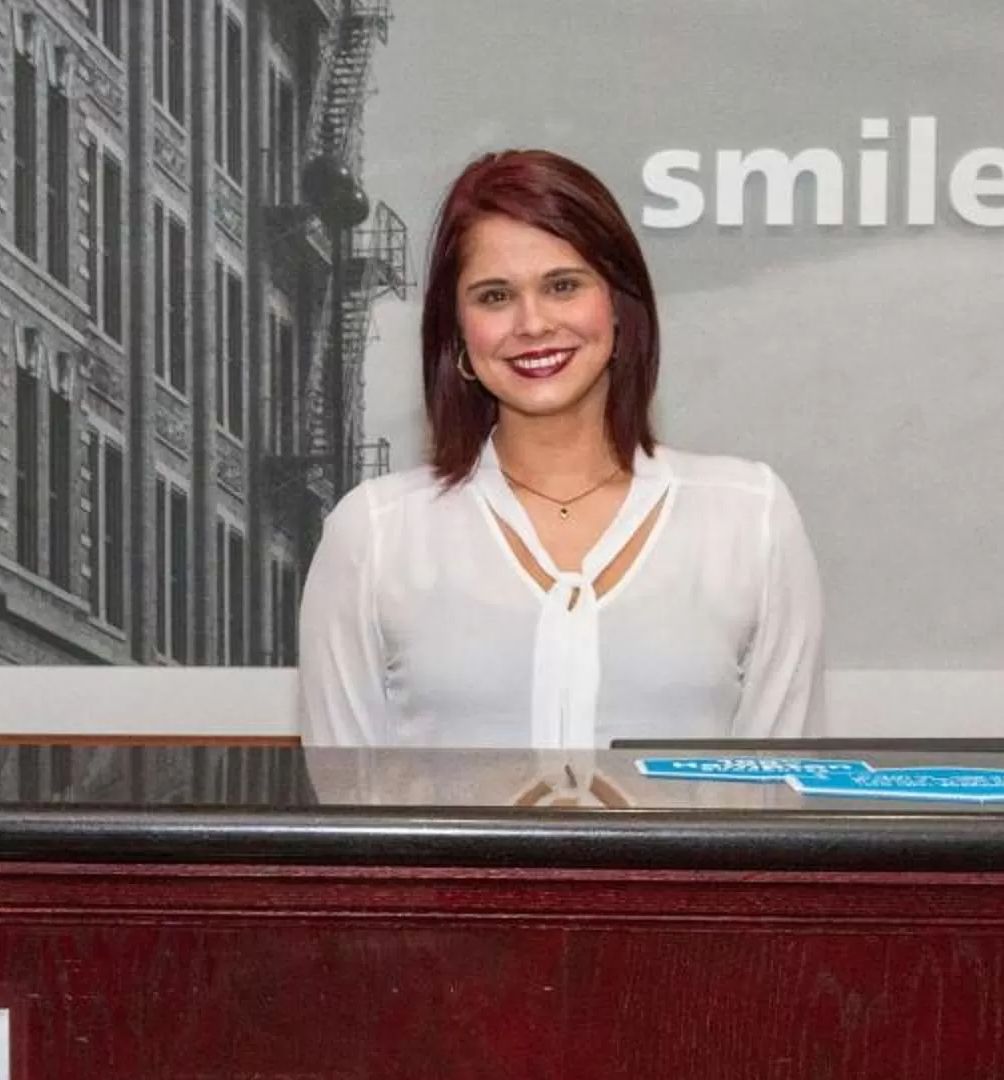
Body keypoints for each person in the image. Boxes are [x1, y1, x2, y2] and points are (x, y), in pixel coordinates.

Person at [298, 149, 825, 748]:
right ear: (457, 334)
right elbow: (344, 815)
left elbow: (780, 804)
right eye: (495, 296)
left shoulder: (750, 517)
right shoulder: (373, 536)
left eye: (563, 286)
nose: (533, 323)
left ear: (620, 308)